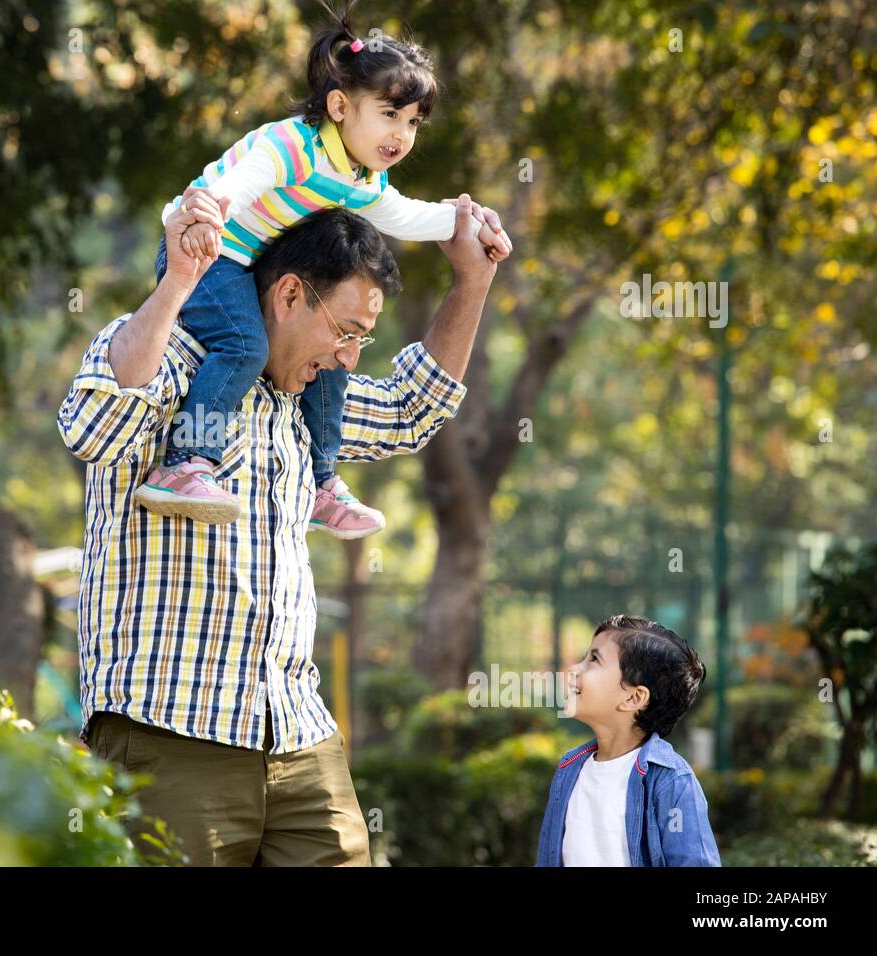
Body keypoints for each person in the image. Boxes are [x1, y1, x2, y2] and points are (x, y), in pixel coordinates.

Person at [57, 194, 505, 866]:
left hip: (297, 738)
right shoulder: (170, 362)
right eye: (344, 330)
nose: (349, 356)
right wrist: (179, 282)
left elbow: (413, 411)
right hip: (172, 734)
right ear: (289, 294)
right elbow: (92, 426)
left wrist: (473, 280)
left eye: (363, 339)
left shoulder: (307, 401)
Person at [133, 0, 511, 539]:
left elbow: (407, 217)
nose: (401, 135)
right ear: (339, 106)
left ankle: (319, 483)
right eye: (388, 114)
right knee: (244, 347)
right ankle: (185, 462)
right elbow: (240, 183)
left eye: (412, 122)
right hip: (203, 256)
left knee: (332, 358)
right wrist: (206, 213)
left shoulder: (360, 179)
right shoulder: (291, 145)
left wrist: (470, 226)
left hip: (248, 266)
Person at [536, 615, 722, 866]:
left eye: (593, 660)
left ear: (634, 698)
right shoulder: (569, 769)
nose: (575, 669)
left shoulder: (671, 781)